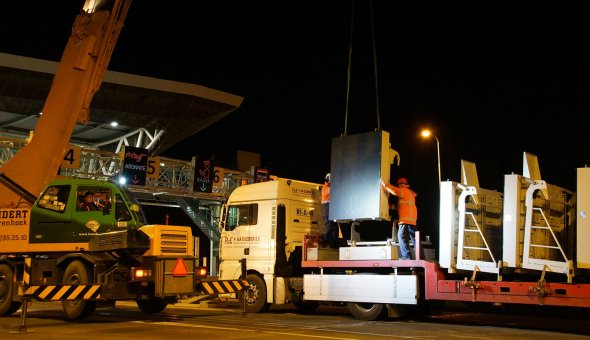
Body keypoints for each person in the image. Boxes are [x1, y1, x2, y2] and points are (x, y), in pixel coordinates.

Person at [380, 177, 418, 260]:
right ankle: (421, 258)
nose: (398, 187)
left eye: (398, 185)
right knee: (415, 240)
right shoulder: (410, 194)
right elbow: (401, 207)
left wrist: (383, 184)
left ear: (401, 184)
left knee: (402, 237)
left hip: (405, 221)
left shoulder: (403, 190)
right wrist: (389, 206)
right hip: (412, 221)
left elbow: (393, 190)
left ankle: (406, 257)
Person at [321, 173, 339, 248]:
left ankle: (334, 241)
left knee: (334, 224)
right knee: (328, 224)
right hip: (327, 206)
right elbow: (330, 194)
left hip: (331, 206)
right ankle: (326, 241)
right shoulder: (325, 187)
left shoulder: (329, 187)